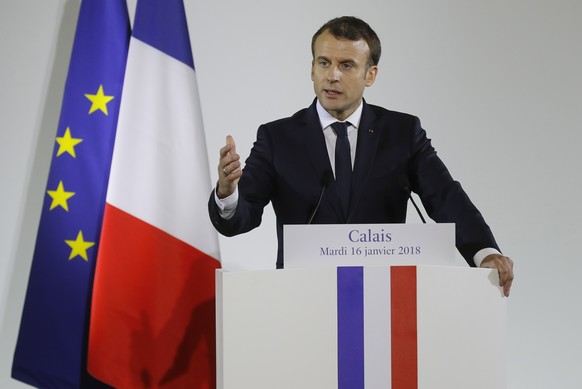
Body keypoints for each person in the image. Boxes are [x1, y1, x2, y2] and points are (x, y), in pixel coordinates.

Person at [208, 16, 514, 296]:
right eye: (324, 63)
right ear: (311, 69)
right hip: (302, 297)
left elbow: (446, 198)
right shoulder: (278, 138)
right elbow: (241, 218)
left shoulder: (401, 133)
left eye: (346, 65)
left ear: (370, 75)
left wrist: (484, 253)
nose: (332, 76)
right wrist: (227, 192)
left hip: (384, 299)